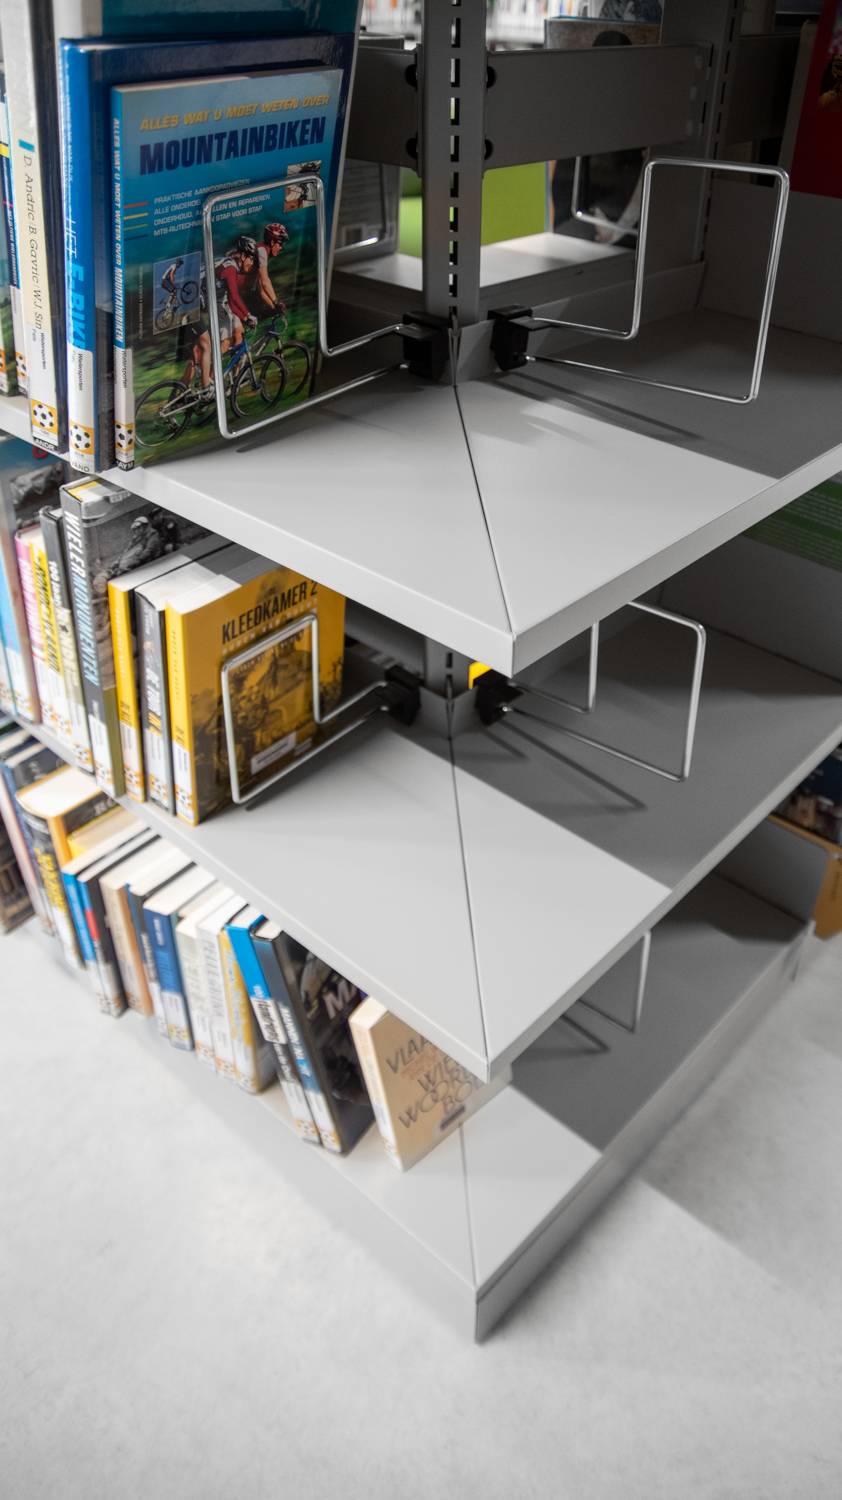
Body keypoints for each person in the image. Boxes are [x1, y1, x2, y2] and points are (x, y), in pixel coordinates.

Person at [214, 236, 258, 354]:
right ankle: (212, 366)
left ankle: (235, 367)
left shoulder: (232, 267)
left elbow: (232, 303)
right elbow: (234, 296)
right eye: (251, 259)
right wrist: (248, 314)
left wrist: (246, 319)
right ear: (243, 256)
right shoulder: (231, 268)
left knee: (239, 333)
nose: (251, 263)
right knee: (225, 343)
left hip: (221, 301)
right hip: (215, 302)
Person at [246, 223, 290, 314]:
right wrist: (276, 302)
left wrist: (275, 308)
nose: (281, 248)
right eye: (280, 244)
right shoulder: (262, 251)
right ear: (272, 242)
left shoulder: (259, 254)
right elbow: (265, 281)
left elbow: (262, 291)